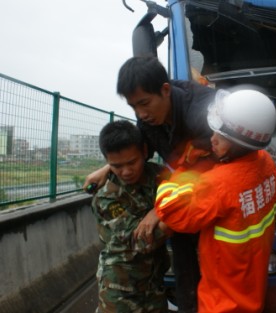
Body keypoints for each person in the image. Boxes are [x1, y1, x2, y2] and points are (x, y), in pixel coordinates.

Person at [84, 56, 217, 313]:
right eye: (133, 107)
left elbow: (211, 170)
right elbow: (136, 149)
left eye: (144, 103)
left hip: (212, 195)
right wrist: (106, 168)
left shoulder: (204, 112)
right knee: (185, 272)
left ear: (165, 90)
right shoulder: (147, 120)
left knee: (216, 273)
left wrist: (162, 210)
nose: (141, 114)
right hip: (184, 199)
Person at [155, 89, 276, 313]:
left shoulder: (217, 184)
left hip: (221, 302)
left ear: (241, 143)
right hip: (251, 290)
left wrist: (179, 171)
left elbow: (169, 210)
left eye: (221, 136)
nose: (212, 139)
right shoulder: (267, 163)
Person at [91, 120, 169, 313]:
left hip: (154, 285)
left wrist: (158, 211)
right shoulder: (106, 197)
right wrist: (174, 212)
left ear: (144, 151)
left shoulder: (157, 175)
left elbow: (185, 184)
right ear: (107, 163)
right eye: (116, 166)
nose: (126, 172)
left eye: (132, 162)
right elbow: (141, 241)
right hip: (120, 290)